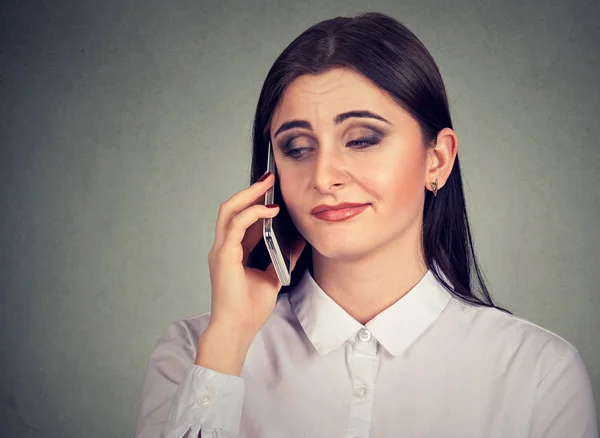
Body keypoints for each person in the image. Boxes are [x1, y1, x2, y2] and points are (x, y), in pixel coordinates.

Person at [135, 12, 598, 438]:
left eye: (361, 139)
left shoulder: (539, 373)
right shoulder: (195, 352)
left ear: (437, 160)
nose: (323, 176)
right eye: (297, 148)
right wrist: (229, 343)